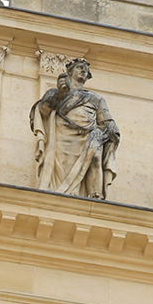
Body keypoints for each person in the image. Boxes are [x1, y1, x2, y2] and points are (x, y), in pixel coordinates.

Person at [30, 59, 119, 199]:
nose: (83, 70)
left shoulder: (96, 98)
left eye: (85, 69)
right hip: (62, 136)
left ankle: (94, 194)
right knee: (63, 168)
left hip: (89, 136)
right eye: (79, 67)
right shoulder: (55, 93)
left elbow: (106, 122)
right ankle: (59, 193)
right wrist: (60, 94)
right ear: (70, 72)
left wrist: (112, 130)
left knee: (95, 153)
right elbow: (43, 110)